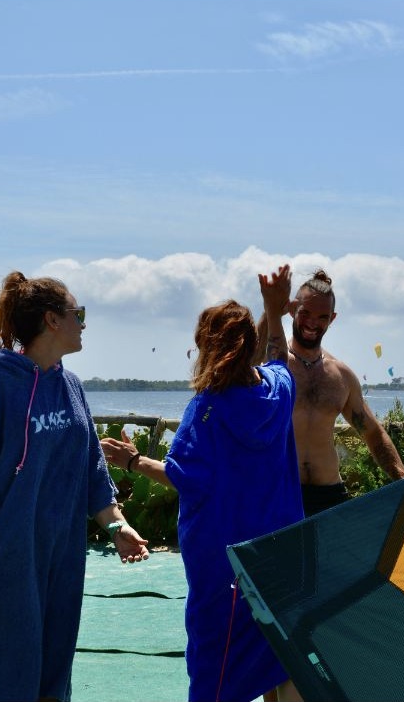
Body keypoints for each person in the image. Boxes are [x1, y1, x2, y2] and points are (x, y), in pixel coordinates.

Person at [0, 271, 149, 702]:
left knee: (52, 671)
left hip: (61, 555)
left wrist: (117, 526)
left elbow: (90, 469)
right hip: (5, 559)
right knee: (0, 674)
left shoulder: (71, 387)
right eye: (77, 314)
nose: (83, 323)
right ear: (52, 320)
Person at [101, 265, 303, 702]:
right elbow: (279, 357)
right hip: (282, 555)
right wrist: (274, 310)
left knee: (216, 671)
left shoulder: (207, 409)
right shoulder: (278, 392)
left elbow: (182, 477)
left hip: (224, 566)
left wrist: (132, 459)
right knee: (282, 659)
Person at [271, 269, 404, 516]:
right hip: (281, 492)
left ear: (332, 319)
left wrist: (402, 478)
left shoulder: (341, 377)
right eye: (305, 313)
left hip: (330, 495)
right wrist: (270, 309)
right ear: (292, 311)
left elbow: (374, 434)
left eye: (322, 316)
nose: (313, 323)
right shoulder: (273, 368)